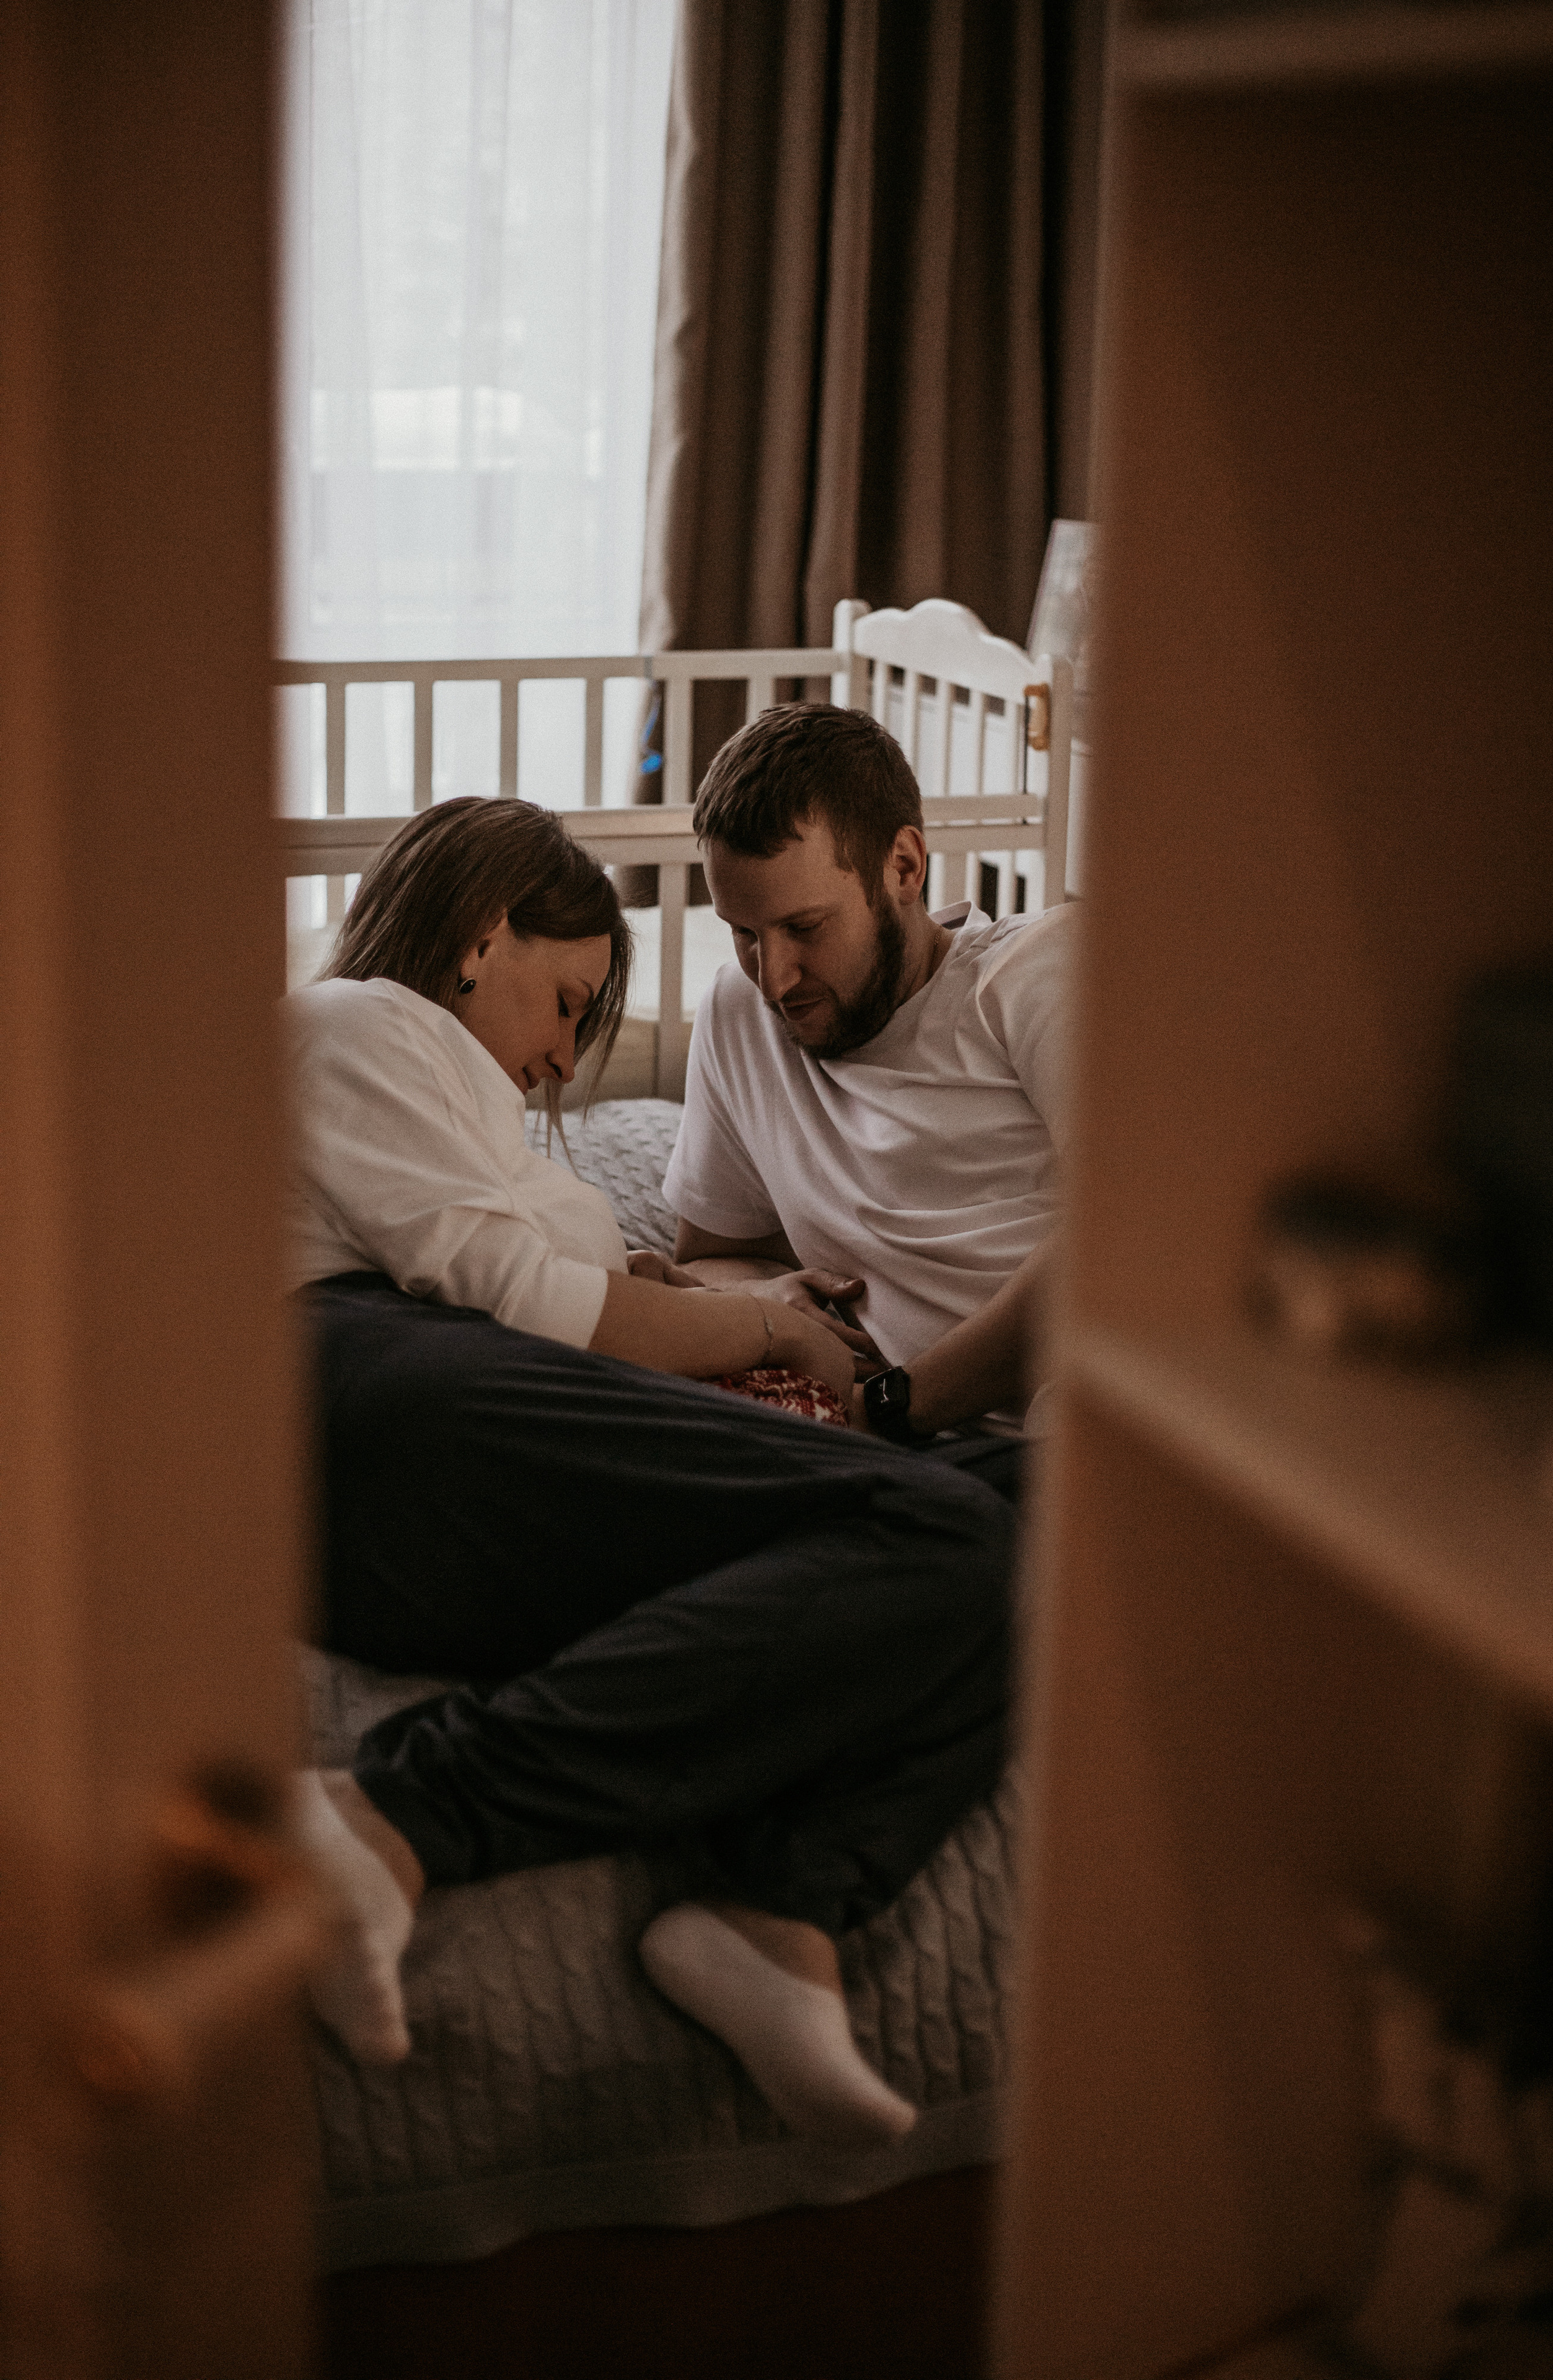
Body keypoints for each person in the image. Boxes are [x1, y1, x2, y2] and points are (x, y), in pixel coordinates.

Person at [286, 794, 1014, 2149]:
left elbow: (540, 1268)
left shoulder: (437, 1096)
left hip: (421, 1438)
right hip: (348, 1391)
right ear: (480, 935)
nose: (563, 1059)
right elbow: (520, 1298)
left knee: (1010, 1532)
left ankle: (777, 1910)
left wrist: (672, 1287)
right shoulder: (364, 1023)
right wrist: (772, 1326)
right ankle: (394, 1812)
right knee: (939, 1529)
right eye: (565, 1004)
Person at [663, 702, 1076, 1471]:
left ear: (904, 869)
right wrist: (765, 1304)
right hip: (862, 1451)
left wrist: (893, 1408)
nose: (774, 977)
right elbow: (716, 1251)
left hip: (1043, 1453)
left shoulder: (1035, 975)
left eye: (805, 928)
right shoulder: (737, 1011)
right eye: (744, 933)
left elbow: (1125, 1238)